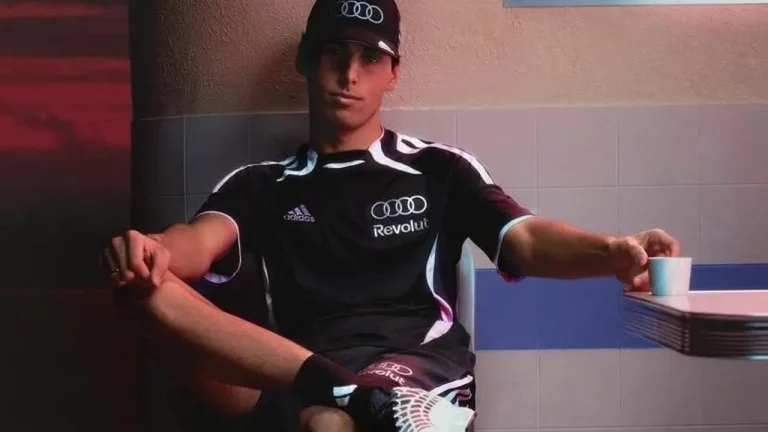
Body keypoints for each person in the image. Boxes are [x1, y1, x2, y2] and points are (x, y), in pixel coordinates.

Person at [104, 0, 682, 430]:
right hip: (298, 367)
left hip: (416, 366)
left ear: (393, 72)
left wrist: (610, 252)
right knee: (140, 290)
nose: (350, 74)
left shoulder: (439, 169)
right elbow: (194, 243)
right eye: (334, 53)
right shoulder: (260, 184)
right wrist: (152, 250)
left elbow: (524, 239)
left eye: (369, 57)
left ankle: (349, 398)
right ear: (307, 60)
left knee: (327, 425)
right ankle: (346, 392)